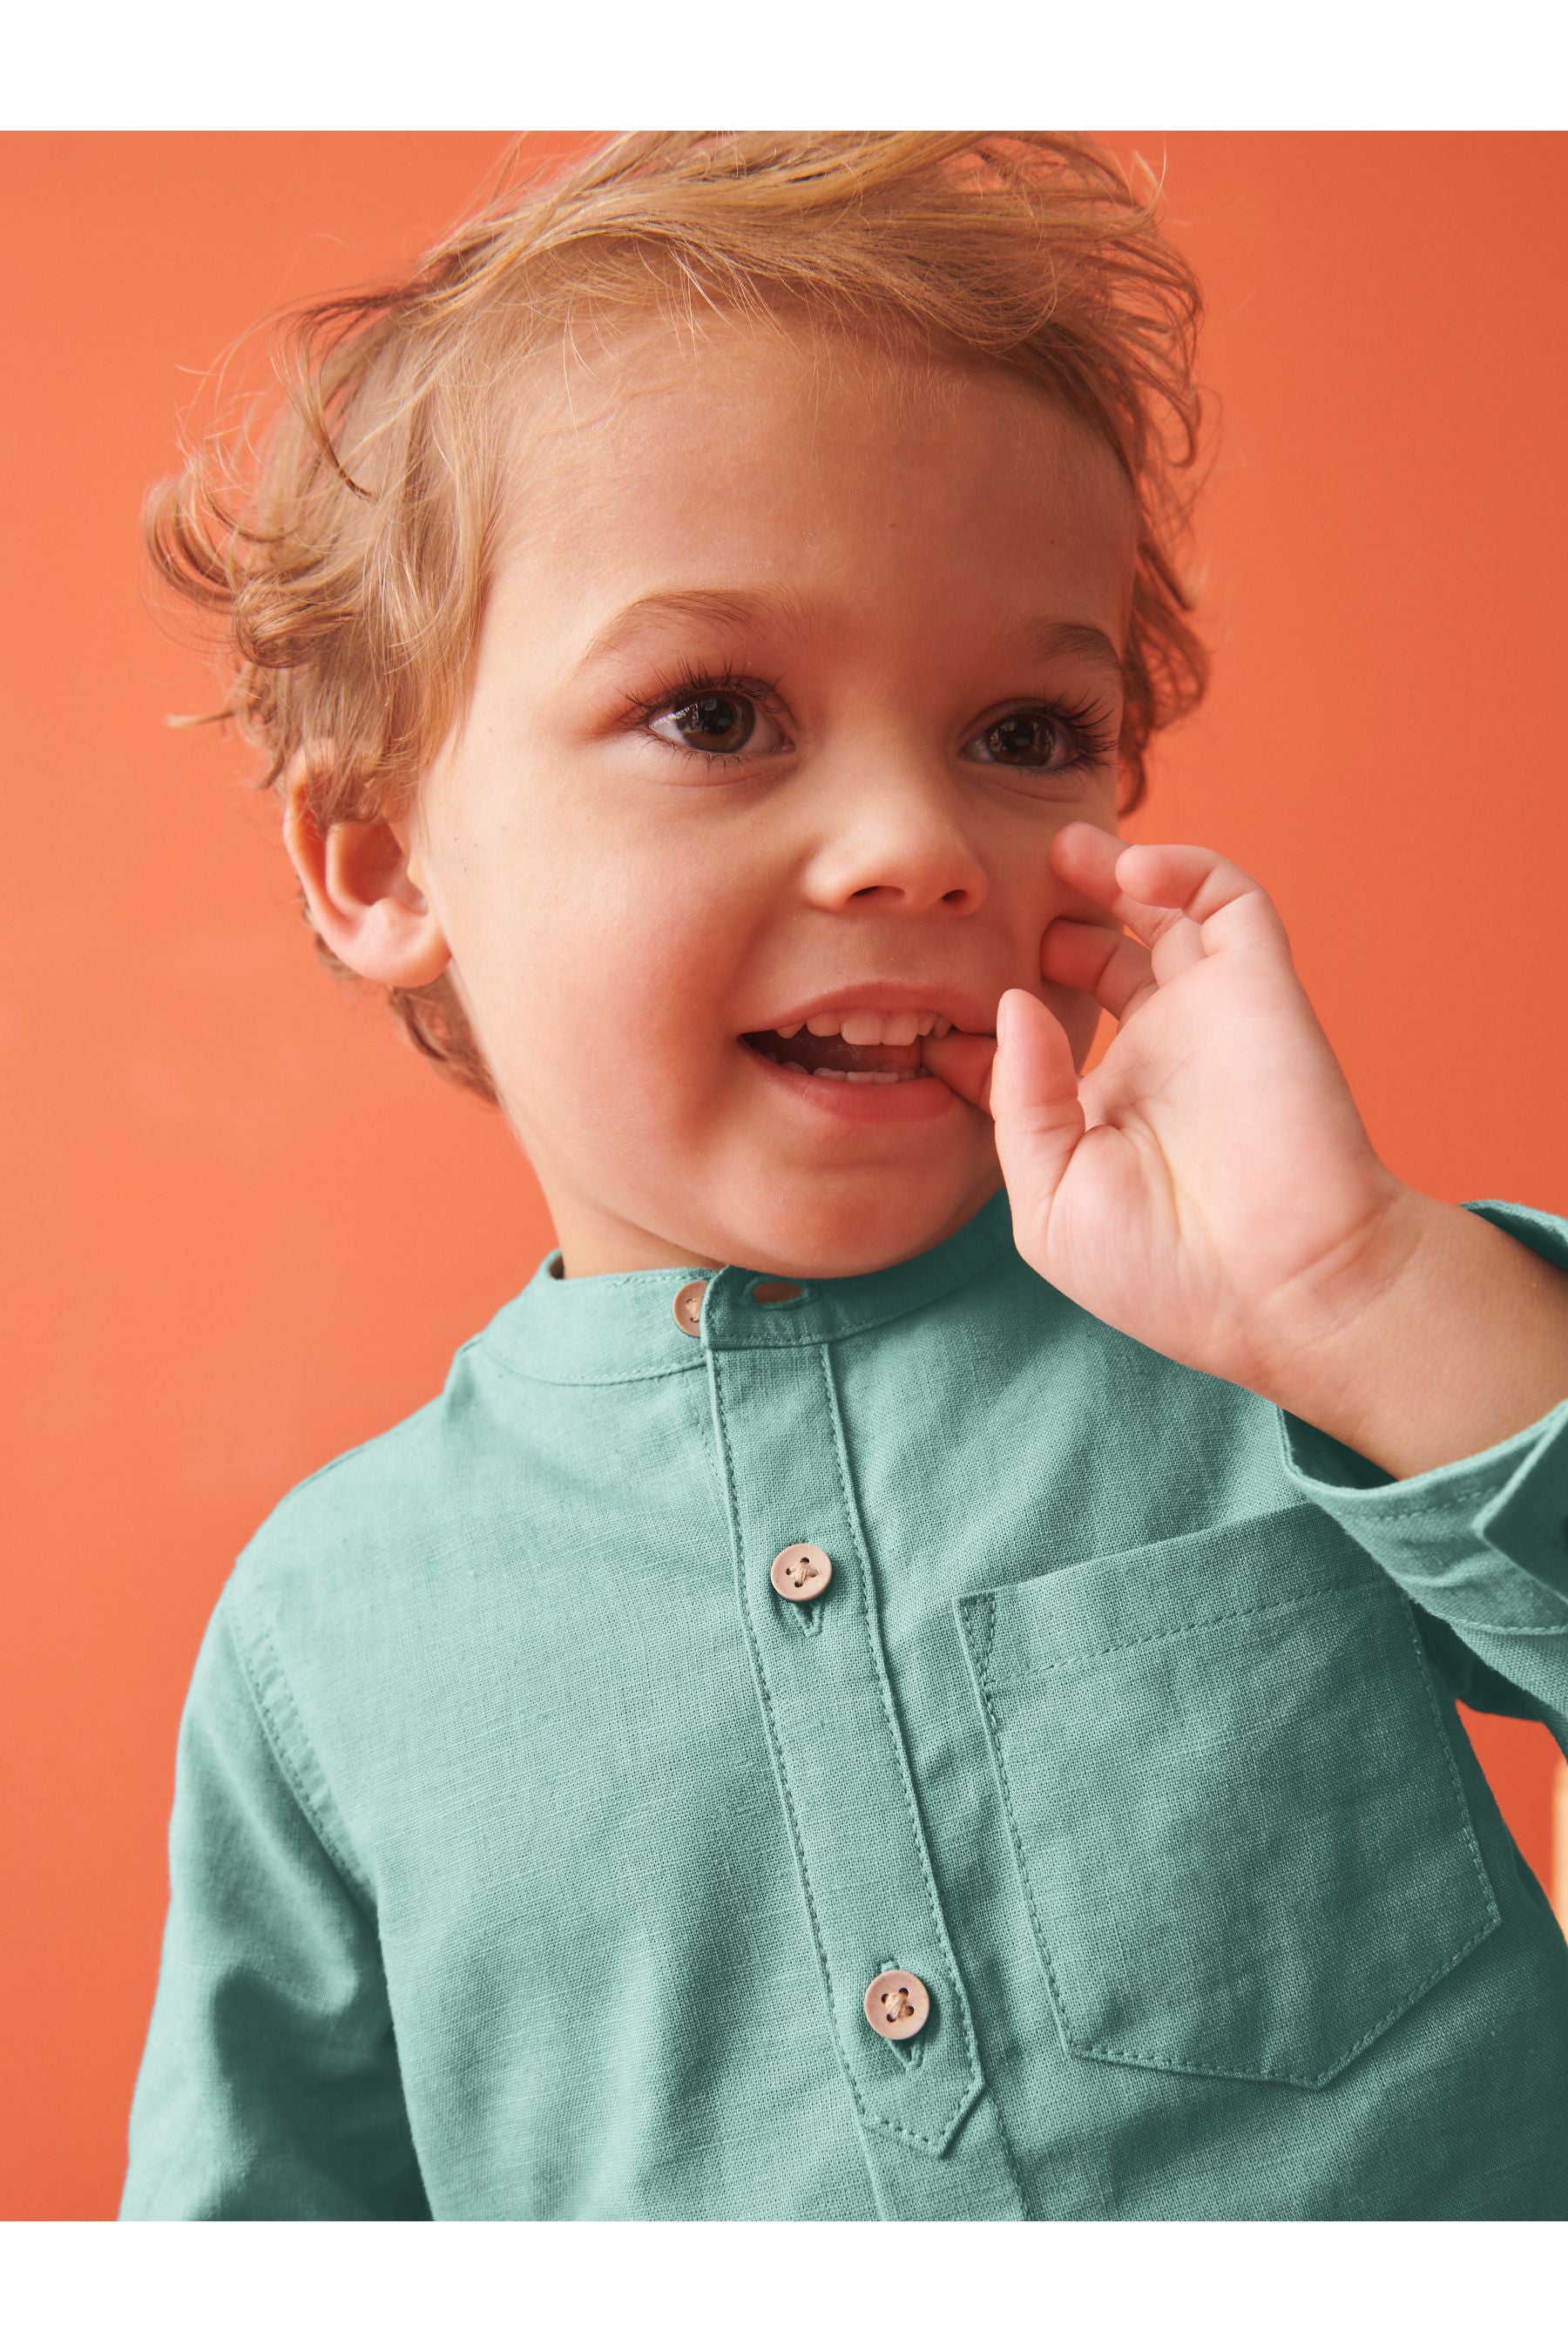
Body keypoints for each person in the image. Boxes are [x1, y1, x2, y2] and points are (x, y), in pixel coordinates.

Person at [119, 130, 1568, 2222]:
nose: (917, 842)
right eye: (718, 712)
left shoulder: (1303, 1357)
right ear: (384, 862)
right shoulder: (322, 1638)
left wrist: (1353, 1292)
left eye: (1025, 732)